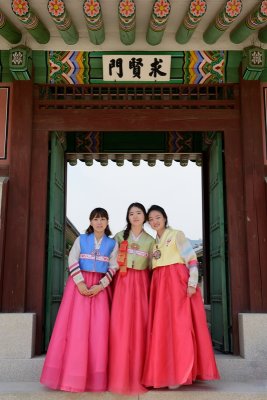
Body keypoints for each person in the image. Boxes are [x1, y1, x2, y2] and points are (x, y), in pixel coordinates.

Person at [40, 208, 118, 392]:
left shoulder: (112, 243)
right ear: (90, 221)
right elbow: (72, 260)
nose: (99, 222)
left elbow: (114, 266)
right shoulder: (81, 239)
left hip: (100, 287)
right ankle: (71, 376)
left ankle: (95, 378)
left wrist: (101, 285)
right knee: (77, 329)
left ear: (107, 222)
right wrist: (80, 283)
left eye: (103, 219)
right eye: (96, 219)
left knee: (99, 331)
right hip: (78, 288)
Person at [142, 205, 220, 389]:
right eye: (151, 219)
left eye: (157, 217)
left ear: (165, 217)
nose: (154, 221)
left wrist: (192, 283)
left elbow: (192, 259)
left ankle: (180, 373)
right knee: (163, 328)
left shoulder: (177, 234)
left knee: (179, 327)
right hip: (160, 286)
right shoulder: (154, 243)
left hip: (177, 282)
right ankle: (166, 372)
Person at [108, 202, 155, 395]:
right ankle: (118, 375)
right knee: (120, 325)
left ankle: (139, 374)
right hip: (122, 282)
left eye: (138, 213)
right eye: (131, 213)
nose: (135, 216)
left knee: (139, 325)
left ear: (144, 217)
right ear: (127, 217)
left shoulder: (151, 240)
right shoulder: (119, 237)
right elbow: (111, 261)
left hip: (142, 282)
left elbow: (153, 265)